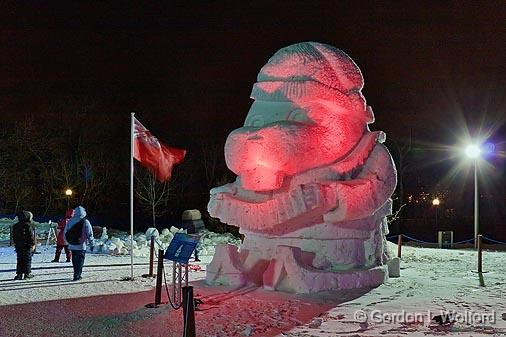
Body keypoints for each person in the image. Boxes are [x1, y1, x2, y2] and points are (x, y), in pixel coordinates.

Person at [64, 205, 94, 281]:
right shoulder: (85, 221)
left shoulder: (70, 221)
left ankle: (76, 273)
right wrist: (92, 243)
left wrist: (67, 242)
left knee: (74, 260)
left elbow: (65, 232)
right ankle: (77, 275)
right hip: (81, 245)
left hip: (72, 244)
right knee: (80, 260)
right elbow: (90, 234)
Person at [12, 211, 36, 280]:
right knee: (27, 260)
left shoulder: (15, 226)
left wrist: (16, 244)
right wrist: (33, 244)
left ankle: (19, 274)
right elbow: (30, 236)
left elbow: (14, 237)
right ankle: (27, 273)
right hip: (27, 246)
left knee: (20, 260)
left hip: (19, 246)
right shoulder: (27, 225)